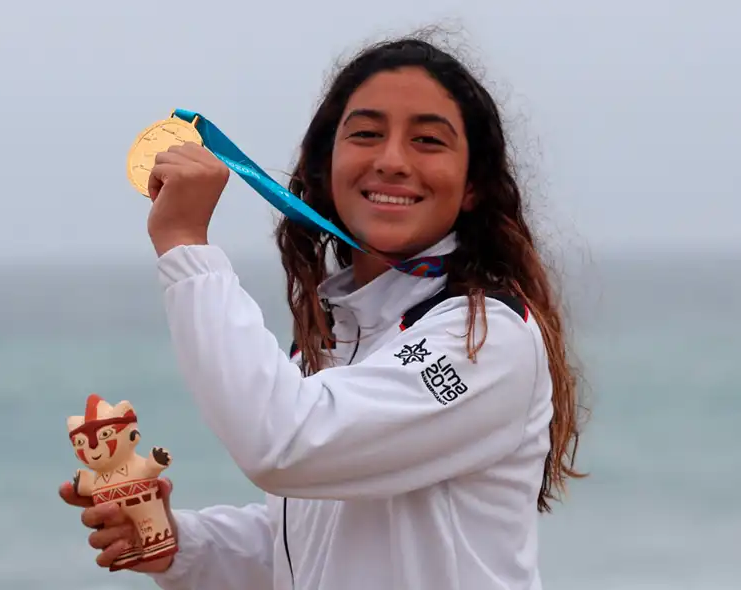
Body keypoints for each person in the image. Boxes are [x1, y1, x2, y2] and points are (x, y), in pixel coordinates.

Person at [59, 32, 587, 590]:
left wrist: (186, 246)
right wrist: (179, 543)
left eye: (428, 140)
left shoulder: (485, 335)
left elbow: (283, 443)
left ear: (473, 184)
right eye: (366, 134)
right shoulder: (336, 333)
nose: (392, 161)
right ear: (324, 167)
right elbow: (310, 548)